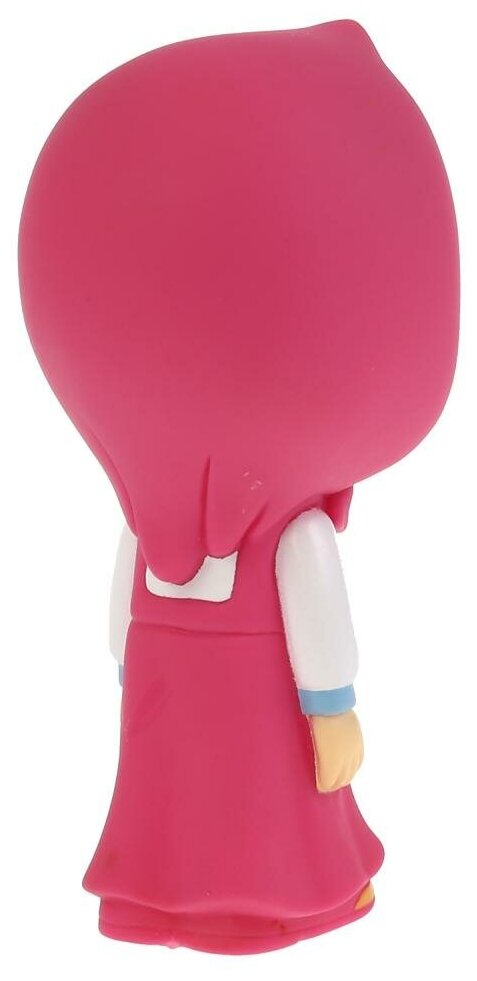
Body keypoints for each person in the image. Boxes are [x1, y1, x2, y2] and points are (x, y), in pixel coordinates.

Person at [19, 20, 459, 952]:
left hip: (164, 687)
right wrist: (330, 708)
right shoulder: (291, 534)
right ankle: (276, 895)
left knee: (180, 797)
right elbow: (320, 632)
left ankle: (160, 896)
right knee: (266, 801)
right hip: (221, 690)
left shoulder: (147, 521)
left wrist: (135, 674)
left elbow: (117, 625)